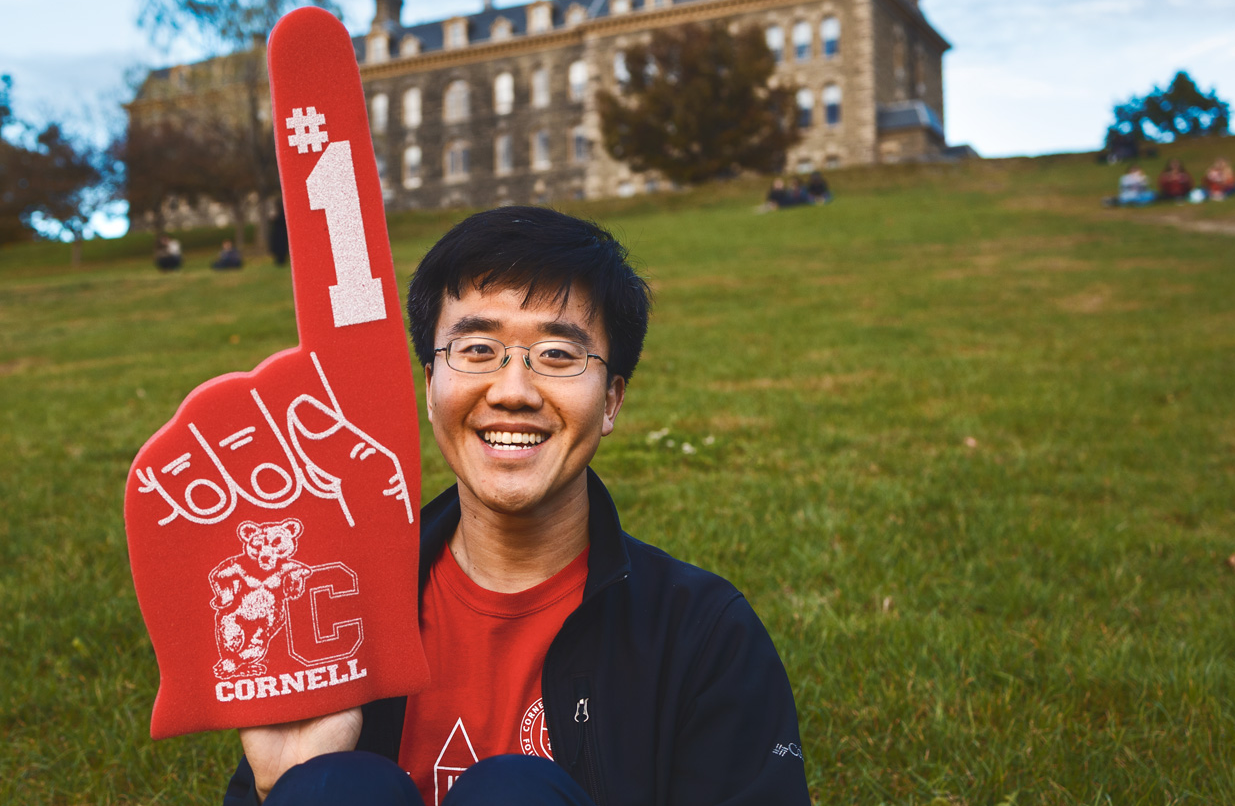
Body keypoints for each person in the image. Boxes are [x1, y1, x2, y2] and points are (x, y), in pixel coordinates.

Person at [224, 207, 808, 806]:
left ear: (611, 400)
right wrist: (282, 788)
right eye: (477, 348)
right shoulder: (335, 611)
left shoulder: (702, 638)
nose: (512, 392)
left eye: (558, 355)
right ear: (429, 386)